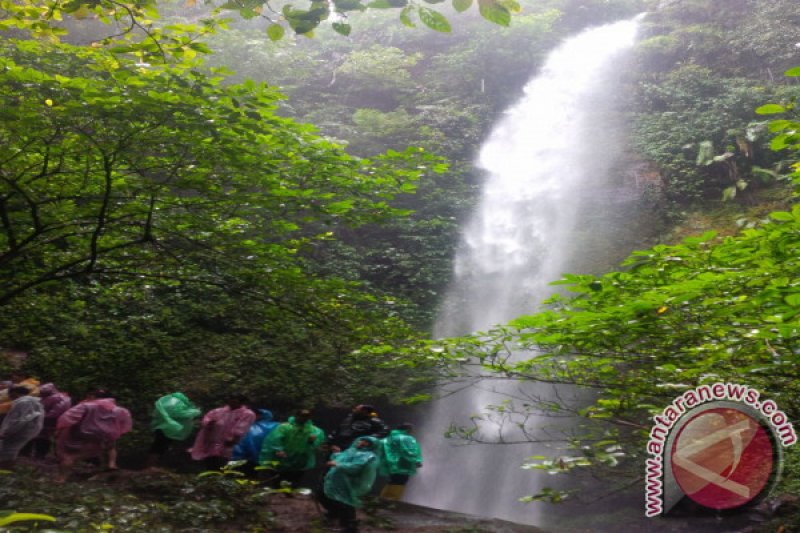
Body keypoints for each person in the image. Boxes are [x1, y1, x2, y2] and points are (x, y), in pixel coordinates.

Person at [54, 389, 132, 482]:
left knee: (68, 456)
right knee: (110, 446)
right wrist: (116, 432)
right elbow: (126, 424)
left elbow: (67, 418)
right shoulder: (120, 410)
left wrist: (60, 429)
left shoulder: (85, 406)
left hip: (81, 435)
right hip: (103, 437)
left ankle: (61, 479)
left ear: (94, 396)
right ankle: (111, 464)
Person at [318, 436, 380, 533]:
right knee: (324, 495)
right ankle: (334, 513)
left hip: (347, 482)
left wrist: (338, 465)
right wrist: (336, 453)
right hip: (335, 479)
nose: (362, 442)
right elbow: (341, 458)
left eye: (366, 442)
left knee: (346, 503)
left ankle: (350, 526)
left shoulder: (367, 455)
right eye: (362, 440)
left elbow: (355, 467)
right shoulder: (351, 450)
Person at [259, 408, 324, 487]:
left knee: (295, 477)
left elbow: (317, 445)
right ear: (296, 415)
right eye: (302, 415)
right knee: (279, 476)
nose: (304, 418)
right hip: (283, 456)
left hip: (301, 458)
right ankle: (277, 490)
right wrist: (279, 450)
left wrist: (312, 441)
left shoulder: (314, 430)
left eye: (307, 416)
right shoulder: (285, 427)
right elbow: (274, 439)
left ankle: (290, 492)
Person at [189, 395, 255, 470]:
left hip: (230, 443)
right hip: (212, 442)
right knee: (210, 462)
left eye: (235, 401)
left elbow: (242, 427)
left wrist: (234, 439)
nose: (232, 402)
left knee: (225, 463)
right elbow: (206, 419)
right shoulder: (218, 411)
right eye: (231, 400)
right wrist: (209, 423)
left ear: (242, 403)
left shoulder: (247, 414)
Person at [146, 392, 201, 468]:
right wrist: (194, 412)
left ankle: (153, 465)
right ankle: (151, 465)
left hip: (163, 426)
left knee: (159, 445)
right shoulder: (177, 401)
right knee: (160, 446)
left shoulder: (168, 399)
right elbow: (177, 413)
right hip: (168, 428)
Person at [0, 386, 44, 468]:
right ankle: (7, 468)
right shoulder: (34, 401)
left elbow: (19, 420)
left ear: (14, 393)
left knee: (8, 450)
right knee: (11, 450)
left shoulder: (23, 402)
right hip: (27, 430)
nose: (9, 397)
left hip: (20, 431)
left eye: (9, 394)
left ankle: (5, 469)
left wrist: (7, 431)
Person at [379, 423, 423, 499]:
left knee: (393, 480)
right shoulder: (407, 438)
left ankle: (383, 497)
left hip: (392, 463)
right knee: (400, 481)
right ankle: (391, 499)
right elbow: (410, 450)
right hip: (404, 464)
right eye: (411, 429)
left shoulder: (391, 437)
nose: (412, 431)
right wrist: (417, 460)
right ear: (407, 429)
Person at [29, 383, 72, 459]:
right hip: (52, 420)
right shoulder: (61, 396)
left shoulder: (56, 398)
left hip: (49, 420)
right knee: (45, 437)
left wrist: (43, 416)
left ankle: (40, 455)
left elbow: (57, 412)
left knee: (43, 437)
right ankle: (40, 454)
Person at [231, 408, 279, 476]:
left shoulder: (244, 427)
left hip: (247, 461)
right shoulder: (276, 426)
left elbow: (237, 448)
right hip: (270, 461)